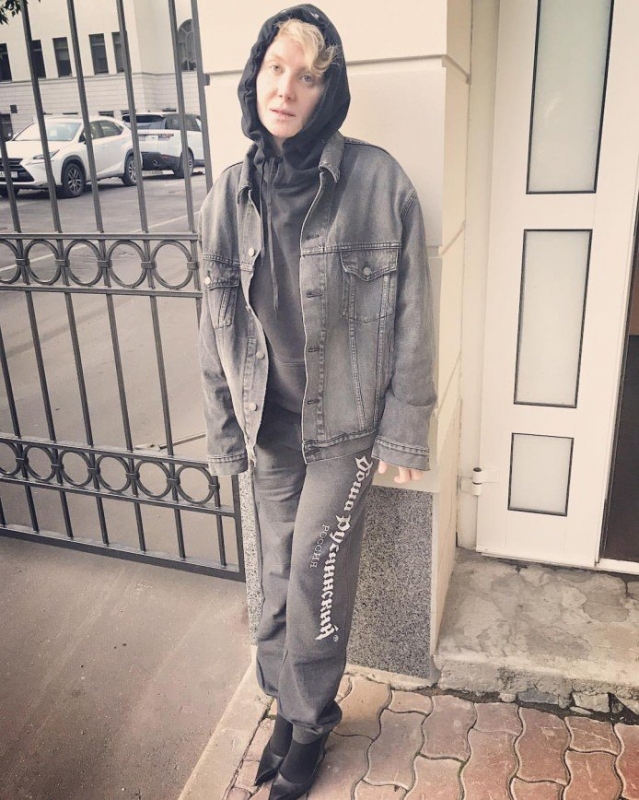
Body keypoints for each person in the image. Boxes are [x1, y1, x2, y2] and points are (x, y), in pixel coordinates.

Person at [197, 5, 436, 798]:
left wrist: (404, 430)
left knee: (310, 572)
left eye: (306, 76)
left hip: (345, 430)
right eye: (275, 68)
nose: (286, 88)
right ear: (254, 77)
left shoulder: (377, 181)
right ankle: (284, 704)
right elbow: (214, 325)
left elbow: (413, 313)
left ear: (326, 91)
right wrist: (223, 431)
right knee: (273, 573)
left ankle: (309, 724)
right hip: (269, 427)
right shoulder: (227, 197)